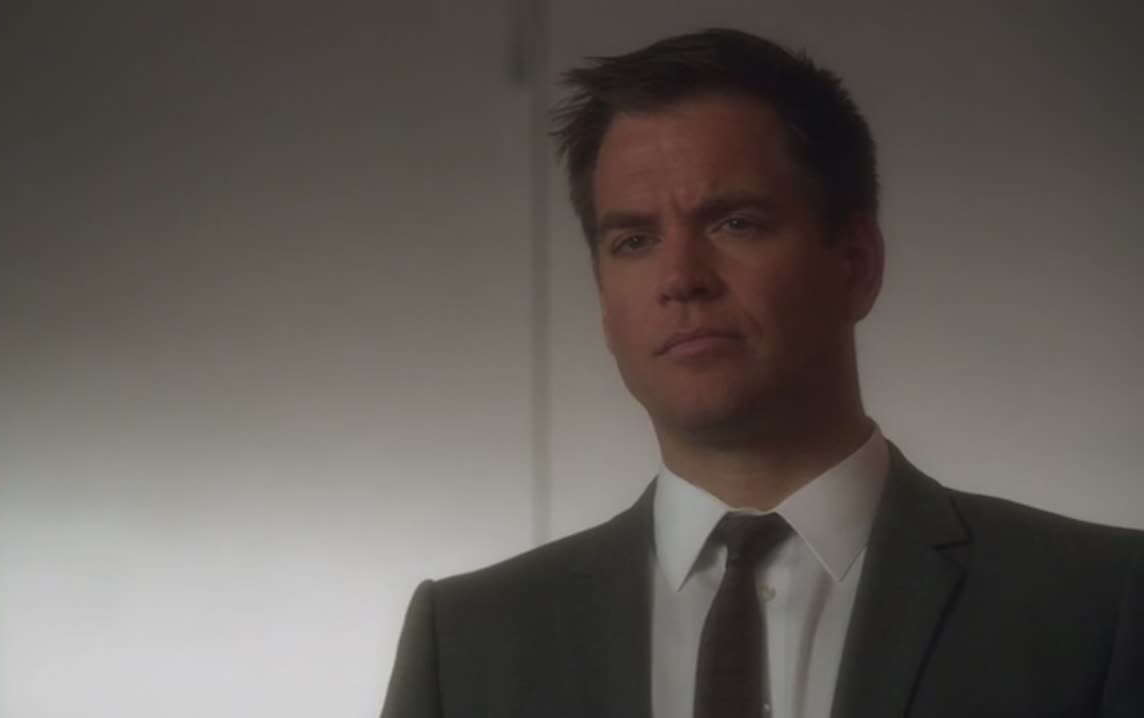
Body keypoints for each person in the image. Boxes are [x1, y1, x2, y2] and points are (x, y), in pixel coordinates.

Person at [379, 28, 1144, 718]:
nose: (681, 277)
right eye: (635, 240)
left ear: (856, 265)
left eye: (734, 223)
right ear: (604, 301)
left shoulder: (1101, 607)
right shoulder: (468, 645)